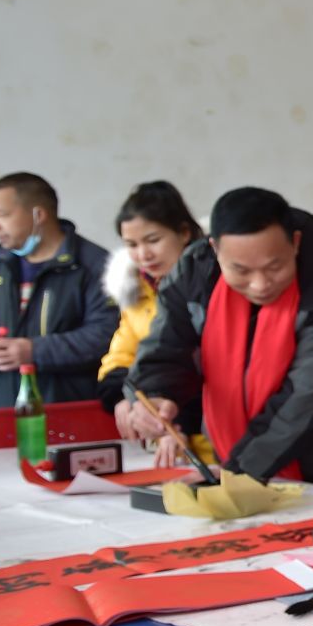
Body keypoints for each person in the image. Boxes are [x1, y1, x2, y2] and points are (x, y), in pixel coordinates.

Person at [124, 187, 313, 487]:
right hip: (227, 454)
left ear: (295, 243)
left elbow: (308, 393)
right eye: (241, 270)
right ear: (215, 249)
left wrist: (240, 471)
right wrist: (156, 395)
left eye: (275, 267)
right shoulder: (194, 271)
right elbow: (164, 349)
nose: (260, 285)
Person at [0, 172, 116, 406]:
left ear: (38, 215)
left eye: (3, 215)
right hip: (8, 411)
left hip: (75, 412)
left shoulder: (93, 265)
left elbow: (107, 334)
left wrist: (34, 351)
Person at [98, 182, 214, 464]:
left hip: (213, 438)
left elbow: (208, 368)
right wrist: (128, 399)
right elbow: (119, 359)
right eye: (132, 245)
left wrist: (175, 420)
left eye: (153, 240)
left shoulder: (212, 285)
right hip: (165, 441)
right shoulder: (136, 292)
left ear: (184, 233)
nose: (143, 255)